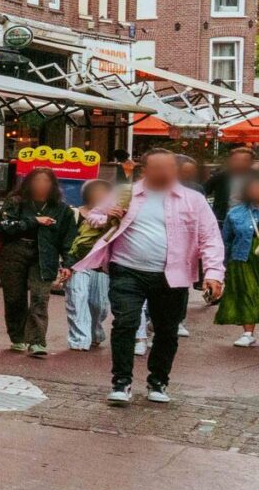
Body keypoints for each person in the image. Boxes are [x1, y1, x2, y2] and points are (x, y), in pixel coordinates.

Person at [60, 148, 225, 406]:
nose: (164, 173)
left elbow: (210, 238)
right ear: (144, 170)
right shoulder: (125, 194)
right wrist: (106, 216)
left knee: (167, 330)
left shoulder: (193, 200)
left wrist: (214, 273)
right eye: (158, 168)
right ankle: (121, 382)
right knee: (125, 323)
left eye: (169, 168)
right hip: (126, 269)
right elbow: (92, 216)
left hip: (173, 276)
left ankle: (158, 381)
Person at [0, 167, 76, 357]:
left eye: (46, 182)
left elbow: (68, 239)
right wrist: (34, 221)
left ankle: (37, 342)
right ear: (29, 183)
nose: (41, 185)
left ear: (53, 185)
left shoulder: (62, 209)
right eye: (37, 181)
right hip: (14, 252)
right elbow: (2, 227)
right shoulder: (15, 202)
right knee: (14, 297)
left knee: (40, 297)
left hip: (44, 256)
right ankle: (17, 337)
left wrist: (68, 264)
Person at [64, 178, 117, 351]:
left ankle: (95, 331)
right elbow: (68, 240)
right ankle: (79, 339)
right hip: (77, 263)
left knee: (99, 305)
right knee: (77, 298)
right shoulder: (74, 213)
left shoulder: (114, 216)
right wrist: (66, 264)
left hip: (100, 265)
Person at [217, 174, 259, 346]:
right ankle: (248, 333)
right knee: (247, 293)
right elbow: (225, 240)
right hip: (242, 259)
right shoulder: (235, 213)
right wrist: (221, 265)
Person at [207, 146, 253, 223]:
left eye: (245, 160)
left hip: (250, 221)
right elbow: (201, 192)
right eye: (236, 160)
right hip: (224, 219)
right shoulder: (221, 177)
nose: (240, 163)